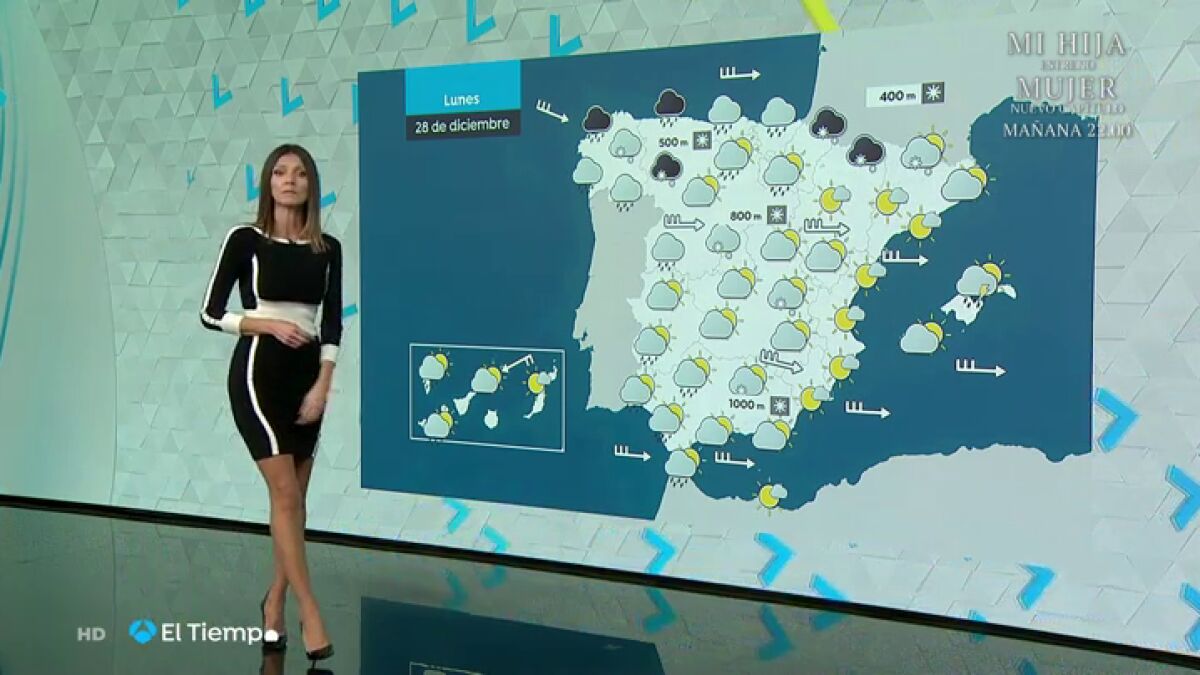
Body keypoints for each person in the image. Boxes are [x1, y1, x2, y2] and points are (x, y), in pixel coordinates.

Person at [200, 143, 341, 664]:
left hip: (307, 380)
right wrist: (266, 324)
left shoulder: (328, 248)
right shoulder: (245, 240)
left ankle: (274, 603)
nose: (290, 180)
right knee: (284, 494)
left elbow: (332, 324)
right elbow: (210, 313)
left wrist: (323, 384)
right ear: (268, 182)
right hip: (258, 374)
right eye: (280, 172)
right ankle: (310, 612)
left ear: (311, 185)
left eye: (300, 173)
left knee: (294, 502)